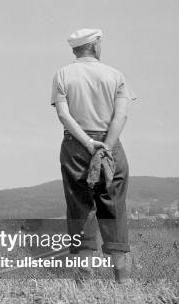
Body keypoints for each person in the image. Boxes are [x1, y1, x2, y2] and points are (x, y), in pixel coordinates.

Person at [51, 28, 136, 283]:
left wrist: (88, 143)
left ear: (74, 49)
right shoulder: (115, 75)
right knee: (113, 207)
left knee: (80, 207)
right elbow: (121, 116)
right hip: (110, 144)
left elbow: (64, 115)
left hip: (77, 145)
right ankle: (121, 277)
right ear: (96, 45)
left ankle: (84, 275)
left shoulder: (63, 74)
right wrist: (106, 146)